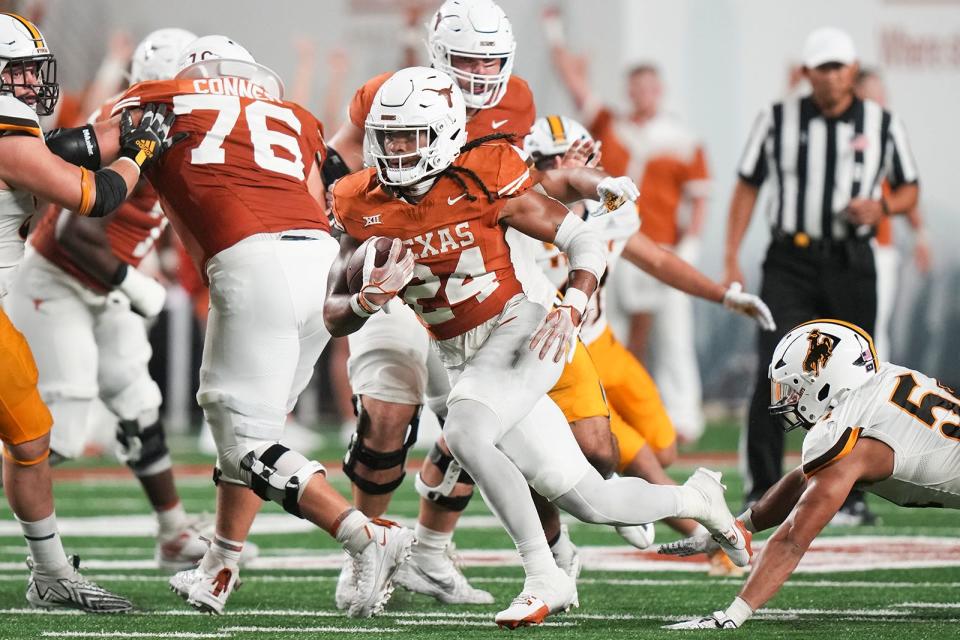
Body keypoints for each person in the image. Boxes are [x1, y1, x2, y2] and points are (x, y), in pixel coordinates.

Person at [324, 66, 751, 628]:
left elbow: (583, 238)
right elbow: (334, 313)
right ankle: (698, 501)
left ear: (448, 132)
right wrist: (366, 301)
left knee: (464, 430)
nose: (397, 148)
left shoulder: (481, 175)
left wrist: (574, 302)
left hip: (521, 327)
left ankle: (543, 573)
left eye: (412, 135)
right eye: (388, 135)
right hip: (462, 355)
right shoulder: (359, 200)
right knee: (592, 501)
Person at [323, 0, 640, 606]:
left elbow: (521, 185)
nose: (480, 74)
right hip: (398, 269)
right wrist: (341, 246)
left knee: (484, 424)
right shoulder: (384, 94)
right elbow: (341, 161)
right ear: (438, 53)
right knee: (387, 418)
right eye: (467, 60)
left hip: (478, 272)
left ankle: (436, 555)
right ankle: (365, 552)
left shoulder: (514, 99)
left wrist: (590, 187)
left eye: (491, 60)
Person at [108, 34, 415, 617]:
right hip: (320, 262)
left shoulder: (168, 100)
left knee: (243, 434)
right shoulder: (291, 116)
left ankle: (364, 536)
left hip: (255, 263)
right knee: (254, 431)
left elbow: (89, 150)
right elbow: (315, 195)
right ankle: (219, 566)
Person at [6, 27, 230, 572]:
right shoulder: (128, 125)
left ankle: (173, 532)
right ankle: (44, 552)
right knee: (58, 425)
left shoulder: (174, 125)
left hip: (104, 284)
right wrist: (135, 285)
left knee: (138, 400)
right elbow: (73, 230)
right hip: (57, 280)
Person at [525, 115, 774, 574]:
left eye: (573, 157)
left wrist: (723, 295)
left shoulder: (609, 209)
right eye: (551, 161)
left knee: (662, 446)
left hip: (604, 343)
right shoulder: (521, 214)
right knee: (637, 457)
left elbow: (657, 259)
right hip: (559, 356)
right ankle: (710, 540)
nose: (564, 168)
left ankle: (614, 483)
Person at [0, 11, 179, 611]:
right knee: (41, 431)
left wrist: (130, 122)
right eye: (19, 74)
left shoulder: (16, 139)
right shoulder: (8, 147)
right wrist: (142, 146)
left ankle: (49, 572)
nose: (33, 85)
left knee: (33, 437)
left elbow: (72, 143)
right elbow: (96, 194)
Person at [724, 27, 919, 517]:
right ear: (806, 73)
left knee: (856, 376)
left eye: (838, 67)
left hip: (851, 261)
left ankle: (848, 492)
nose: (831, 77)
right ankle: (763, 488)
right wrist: (731, 253)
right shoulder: (776, 119)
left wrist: (882, 207)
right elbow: (747, 186)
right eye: (821, 68)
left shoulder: (882, 122)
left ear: (852, 70)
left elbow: (909, 189)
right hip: (790, 258)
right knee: (775, 367)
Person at [662, 319, 960, 629]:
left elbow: (792, 539)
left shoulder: (848, 442)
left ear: (825, 383)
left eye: (794, 388)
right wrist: (739, 529)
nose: (787, 399)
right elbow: (802, 478)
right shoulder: (880, 382)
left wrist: (732, 616)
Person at [546, 9, 711, 441]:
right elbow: (574, 84)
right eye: (635, 87)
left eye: (649, 87)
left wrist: (692, 241)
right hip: (610, 239)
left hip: (660, 243)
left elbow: (700, 198)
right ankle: (605, 404)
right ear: (628, 91)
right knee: (607, 324)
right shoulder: (610, 127)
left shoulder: (682, 138)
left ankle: (683, 414)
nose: (642, 94)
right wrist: (553, 30)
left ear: (661, 90)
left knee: (675, 336)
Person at [853, 68, 931, 364]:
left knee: (872, 328)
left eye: (881, 94)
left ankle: (873, 398)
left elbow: (906, 190)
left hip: (878, 244)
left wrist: (921, 235)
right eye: (873, 94)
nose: (880, 100)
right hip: (835, 246)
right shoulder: (839, 131)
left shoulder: (886, 133)